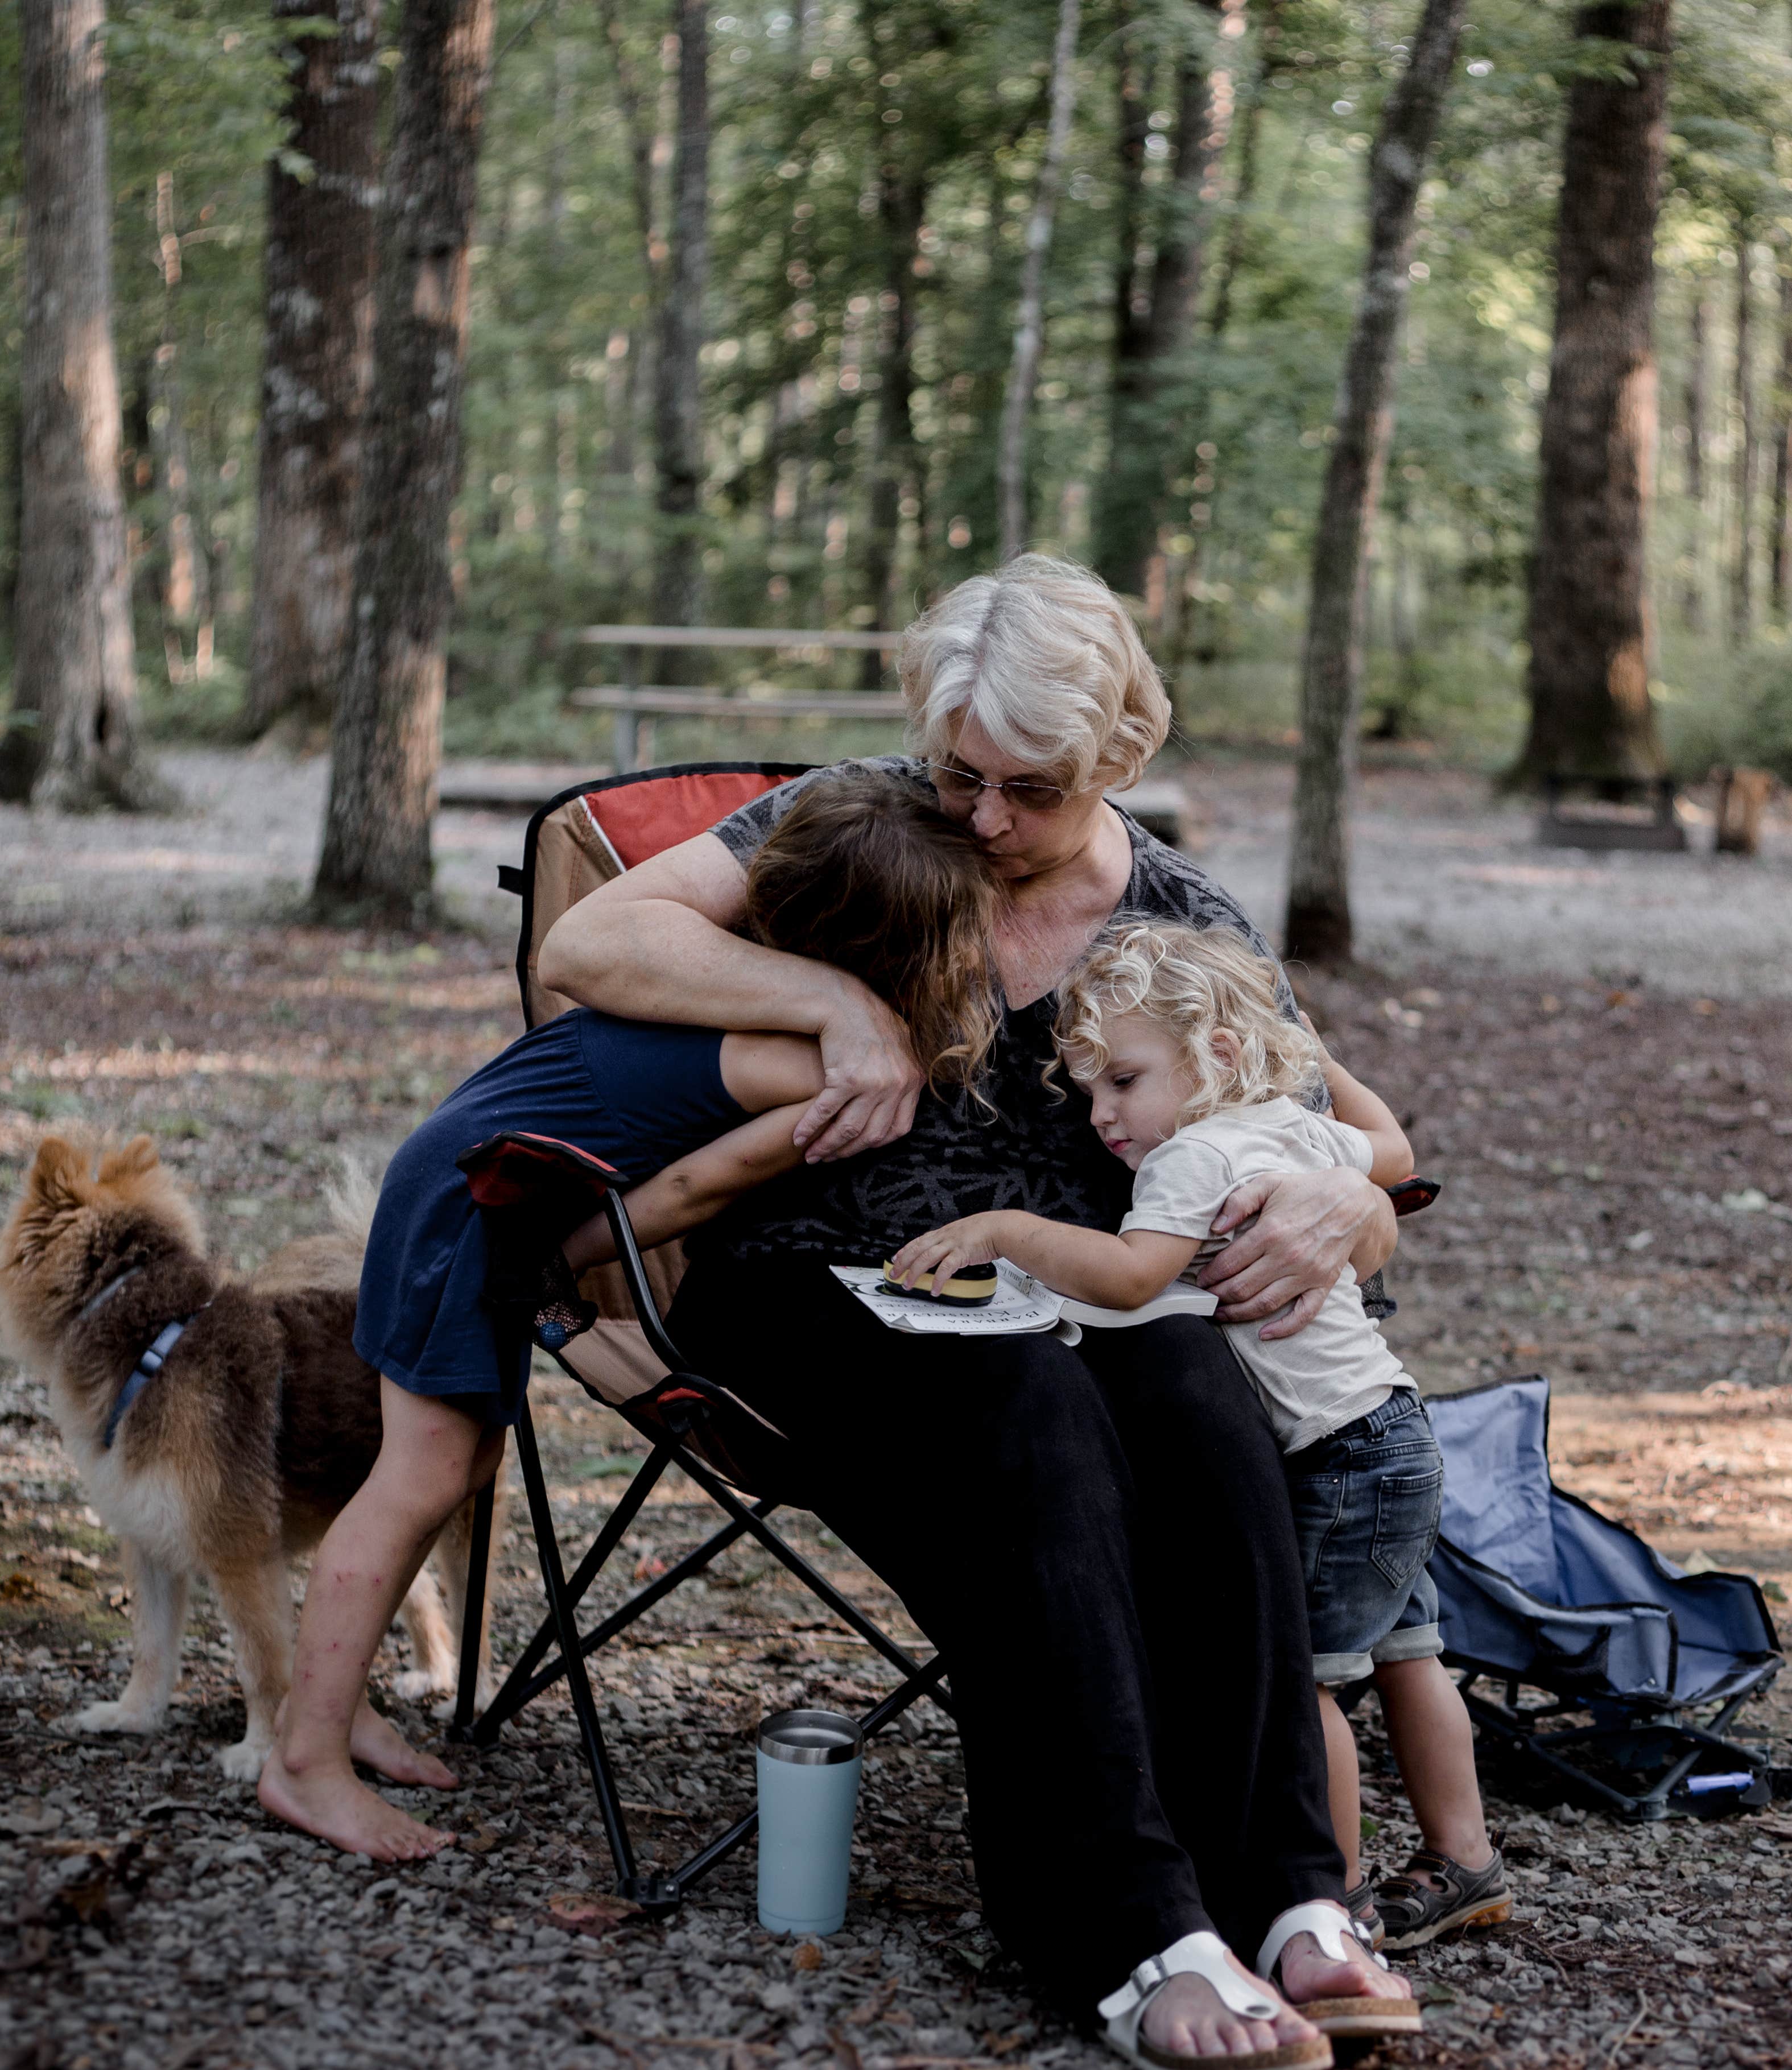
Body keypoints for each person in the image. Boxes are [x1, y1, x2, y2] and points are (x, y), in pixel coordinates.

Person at [538, 555, 1420, 2065]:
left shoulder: (1171, 911)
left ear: (1121, 758)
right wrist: (835, 1004)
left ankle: (1288, 1895)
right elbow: (587, 946)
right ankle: (1131, 1927)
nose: (988, 821)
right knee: (1033, 1409)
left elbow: (1367, 1135)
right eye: (966, 775)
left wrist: (1355, 1202)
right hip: (815, 1289)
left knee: (1200, 1394)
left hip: (1076, 1299)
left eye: (1034, 788)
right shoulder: (862, 828)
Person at [258, 772, 1003, 1861]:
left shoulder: (738, 988)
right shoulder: (794, 1060)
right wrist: (562, 1263)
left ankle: (327, 1710)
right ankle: (305, 1763)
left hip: (463, 1183)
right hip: (475, 1207)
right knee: (418, 1479)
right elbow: (688, 1195)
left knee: (446, 1474)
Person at [886, 921, 1511, 1952]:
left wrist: (1001, 1230)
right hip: (1392, 1429)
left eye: (1123, 1081)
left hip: (1330, 1457)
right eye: (1089, 1093)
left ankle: (1331, 1901)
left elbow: (1133, 1275)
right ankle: (1467, 1860)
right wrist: (1303, 1049)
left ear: (1216, 1055)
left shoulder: (1196, 1154)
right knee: (1410, 1652)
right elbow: (1383, 1146)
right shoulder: (1292, 1128)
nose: (1102, 1116)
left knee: (1304, 1679)